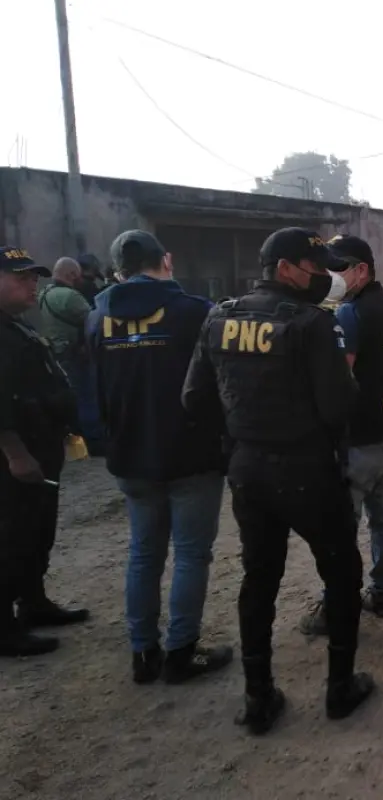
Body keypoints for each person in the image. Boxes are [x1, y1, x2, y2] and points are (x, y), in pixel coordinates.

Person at [182, 227, 374, 735]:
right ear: (286, 268)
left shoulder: (218, 317)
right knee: (341, 572)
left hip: (248, 469)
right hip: (308, 469)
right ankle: (339, 688)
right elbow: (339, 406)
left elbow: (194, 400)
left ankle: (258, 696)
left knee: (259, 581)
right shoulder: (309, 324)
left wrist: (241, 426)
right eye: (316, 267)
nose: (324, 277)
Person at [88, 230, 233, 685]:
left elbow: (93, 391)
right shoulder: (196, 313)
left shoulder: (96, 319)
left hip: (130, 454)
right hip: (192, 454)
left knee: (143, 554)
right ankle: (181, 652)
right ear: (166, 260)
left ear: (117, 272)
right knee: (191, 554)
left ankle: (143, 653)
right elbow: (221, 384)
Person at [300, 235, 383, 635]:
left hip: (357, 438)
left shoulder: (349, 313)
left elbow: (339, 376)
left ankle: (337, 607)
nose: (332, 276)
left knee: (340, 526)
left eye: (339, 268)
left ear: (362, 270)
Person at [0, 245, 90, 657]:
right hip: (16, 459)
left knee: (38, 532)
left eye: (32, 277)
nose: (30, 284)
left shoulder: (17, 326)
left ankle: (33, 603)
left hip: (41, 448)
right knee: (11, 538)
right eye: (20, 278)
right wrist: (15, 452)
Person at [37, 258, 104, 455]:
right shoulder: (70, 296)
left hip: (57, 352)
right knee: (87, 395)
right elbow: (94, 322)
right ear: (72, 275)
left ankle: (79, 435)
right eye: (78, 276)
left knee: (73, 395)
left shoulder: (44, 293)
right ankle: (95, 440)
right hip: (76, 353)